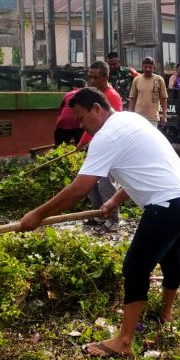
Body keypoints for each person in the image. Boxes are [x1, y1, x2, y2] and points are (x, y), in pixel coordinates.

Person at [18, 87, 180, 358]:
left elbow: (80, 188)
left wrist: (37, 215)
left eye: (81, 119)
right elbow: (144, 167)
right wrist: (115, 199)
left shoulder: (106, 136)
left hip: (166, 205)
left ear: (96, 109)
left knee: (135, 267)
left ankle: (124, 341)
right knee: (171, 255)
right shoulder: (131, 119)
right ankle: (166, 316)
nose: (82, 126)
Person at [76, 61, 124, 232]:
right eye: (89, 77)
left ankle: (113, 219)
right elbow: (89, 124)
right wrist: (82, 142)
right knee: (92, 185)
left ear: (106, 77)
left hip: (110, 149)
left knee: (105, 184)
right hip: (97, 146)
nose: (91, 81)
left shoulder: (112, 97)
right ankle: (98, 214)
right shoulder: (93, 97)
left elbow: (108, 126)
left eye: (96, 77)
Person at [129, 57, 168, 127]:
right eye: (145, 67)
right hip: (138, 117)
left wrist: (165, 116)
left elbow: (164, 99)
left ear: (154, 67)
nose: (148, 69)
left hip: (153, 118)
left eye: (150, 67)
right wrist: (130, 115)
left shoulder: (159, 79)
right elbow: (132, 98)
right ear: (142, 67)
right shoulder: (136, 80)